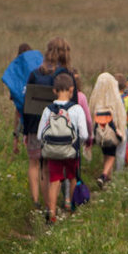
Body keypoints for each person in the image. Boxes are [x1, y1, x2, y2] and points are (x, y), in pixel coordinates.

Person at [22, 36, 75, 210]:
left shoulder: (35, 73)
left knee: (35, 163)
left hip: (33, 126)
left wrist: (25, 131)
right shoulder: (64, 76)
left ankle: (38, 201)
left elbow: (26, 104)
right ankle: (51, 206)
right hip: (55, 126)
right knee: (50, 167)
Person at [37, 72, 88, 223]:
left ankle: (51, 214)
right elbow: (84, 134)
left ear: (54, 90)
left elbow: (40, 135)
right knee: (72, 178)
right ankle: (71, 209)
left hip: (53, 152)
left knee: (54, 180)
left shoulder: (48, 110)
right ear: (72, 89)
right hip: (72, 151)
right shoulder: (77, 109)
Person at [1, 43, 42, 156]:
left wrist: (15, 139)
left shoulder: (18, 79)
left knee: (33, 161)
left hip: (30, 125)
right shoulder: (41, 70)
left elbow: (18, 111)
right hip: (47, 123)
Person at [89, 71, 127, 188]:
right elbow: (120, 115)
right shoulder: (114, 100)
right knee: (111, 155)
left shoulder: (96, 100)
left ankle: (107, 177)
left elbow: (90, 113)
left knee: (106, 153)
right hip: (111, 132)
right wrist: (121, 131)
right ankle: (104, 175)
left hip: (99, 133)